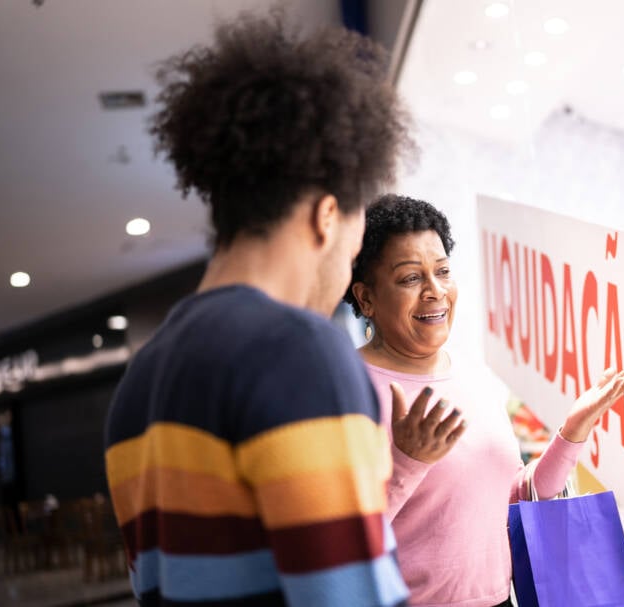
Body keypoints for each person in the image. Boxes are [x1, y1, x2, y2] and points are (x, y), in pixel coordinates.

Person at [104, 9, 410, 606]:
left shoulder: (138, 382)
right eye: (354, 247)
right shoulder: (296, 350)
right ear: (326, 217)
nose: (348, 271)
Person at [345, 195, 624, 606]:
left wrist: (572, 432)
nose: (435, 291)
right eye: (410, 278)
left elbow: (515, 497)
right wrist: (408, 462)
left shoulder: (474, 376)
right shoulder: (346, 390)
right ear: (366, 299)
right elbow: (339, 543)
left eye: (443, 271)